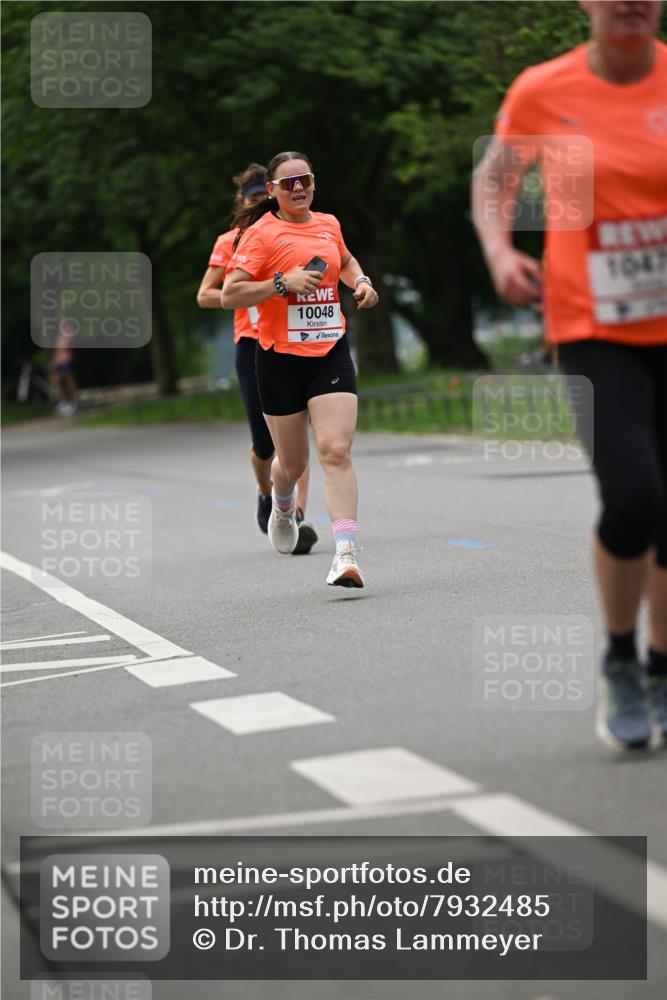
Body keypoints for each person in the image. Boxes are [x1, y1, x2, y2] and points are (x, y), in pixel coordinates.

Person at [473, 0, 667, 750]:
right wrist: (497, 249)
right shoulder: (542, 90)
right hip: (593, 327)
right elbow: (494, 181)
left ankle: (659, 666)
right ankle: (620, 657)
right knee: (633, 495)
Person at [222, 150, 379, 587]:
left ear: (313, 183)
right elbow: (229, 294)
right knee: (290, 463)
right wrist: (280, 284)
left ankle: (345, 554)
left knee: (336, 450)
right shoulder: (261, 235)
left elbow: (345, 261)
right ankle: (283, 503)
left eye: (305, 180)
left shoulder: (328, 224)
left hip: (330, 349)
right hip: (278, 361)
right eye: (288, 183)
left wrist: (361, 283)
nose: (299, 189)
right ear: (272, 191)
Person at [197, 163, 317, 554]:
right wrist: (263, 290)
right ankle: (266, 494)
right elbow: (206, 295)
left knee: (297, 434)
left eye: (263, 199)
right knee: (264, 443)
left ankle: (297, 514)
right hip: (251, 344)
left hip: (296, 340)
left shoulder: (291, 232)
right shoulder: (229, 241)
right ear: (242, 200)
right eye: (252, 199)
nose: (260, 205)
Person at [49, 315, 79, 417]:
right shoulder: (61, 331)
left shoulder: (67, 329)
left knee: (64, 379)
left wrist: (55, 360)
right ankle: (67, 402)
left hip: (64, 359)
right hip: (61, 359)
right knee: (59, 380)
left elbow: (62, 347)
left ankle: (70, 402)